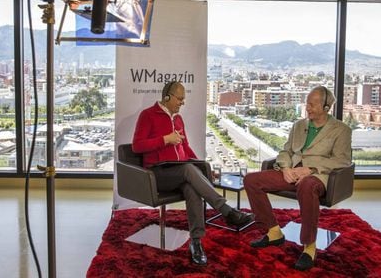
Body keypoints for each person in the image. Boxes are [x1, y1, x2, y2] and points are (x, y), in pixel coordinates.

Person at [132, 81, 254, 266]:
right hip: (157, 174)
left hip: (180, 172)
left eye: (183, 99)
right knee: (189, 170)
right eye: (180, 99)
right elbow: (137, 146)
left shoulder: (179, 120)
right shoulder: (147, 115)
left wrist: (203, 168)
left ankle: (196, 243)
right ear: (167, 97)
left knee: (192, 187)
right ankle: (226, 211)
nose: (182, 103)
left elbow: (186, 148)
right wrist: (165, 139)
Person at [244, 86, 352, 271]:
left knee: (307, 186)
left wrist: (310, 169)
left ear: (326, 107)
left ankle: (309, 246)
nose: (307, 108)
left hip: (318, 176)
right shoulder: (298, 125)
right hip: (292, 173)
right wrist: (285, 168)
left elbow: (342, 160)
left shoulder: (341, 130)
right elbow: (286, 150)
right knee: (251, 180)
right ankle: (273, 231)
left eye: (312, 104)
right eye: (306, 103)